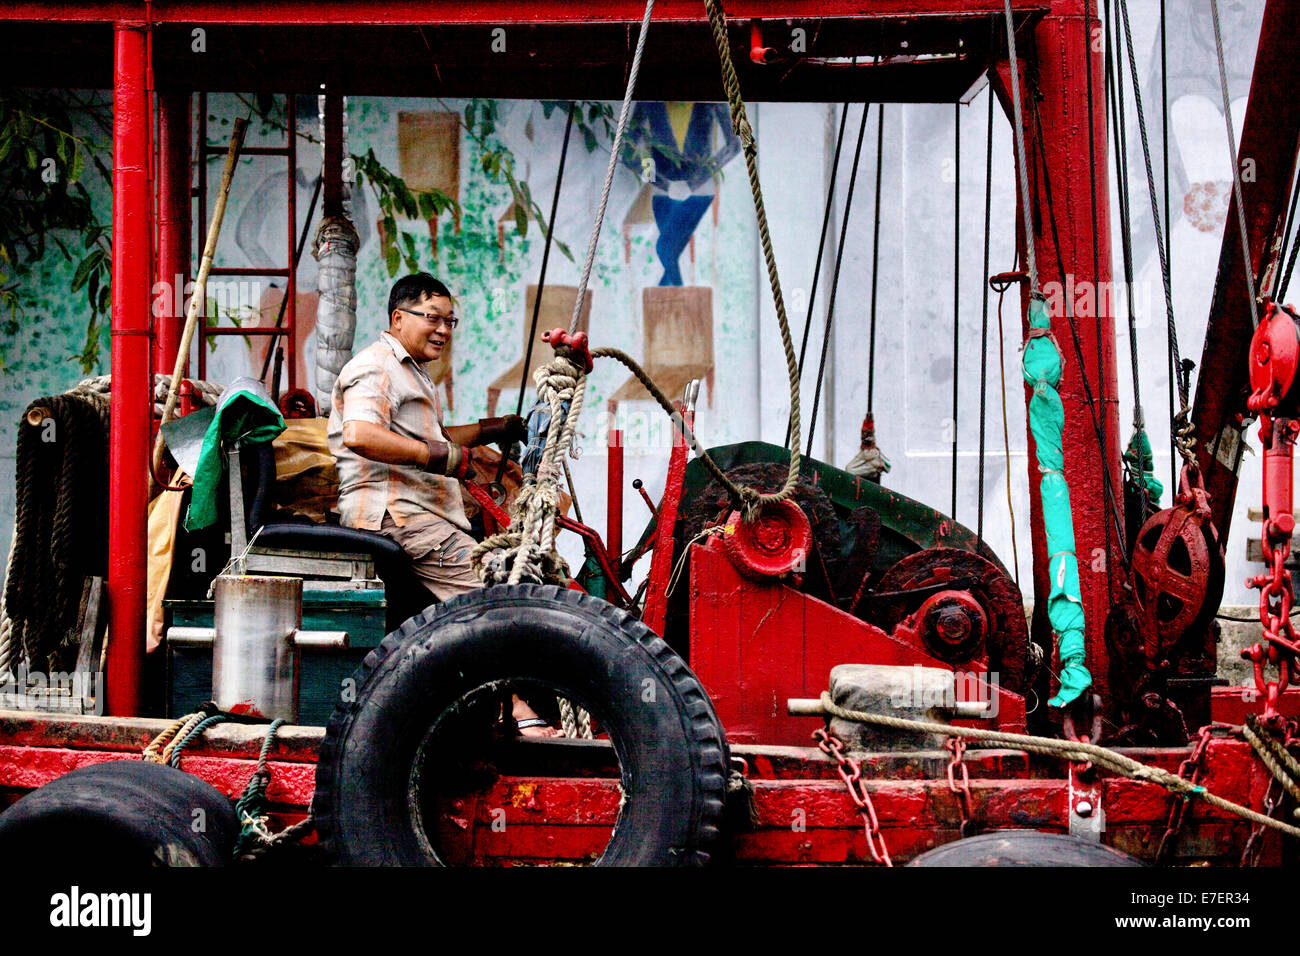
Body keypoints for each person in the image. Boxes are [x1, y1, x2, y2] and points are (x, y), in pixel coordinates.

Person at [327, 273, 558, 736]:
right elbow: (360, 434)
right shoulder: (375, 367)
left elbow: (435, 439)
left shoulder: (412, 371)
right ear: (398, 317)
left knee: (510, 575)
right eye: (432, 318)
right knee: (493, 600)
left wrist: (494, 429)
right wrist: (436, 455)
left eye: (450, 321)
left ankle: (486, 707)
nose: (443, 330)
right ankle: (515, 709)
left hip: (423, 515)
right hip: (398, 516)